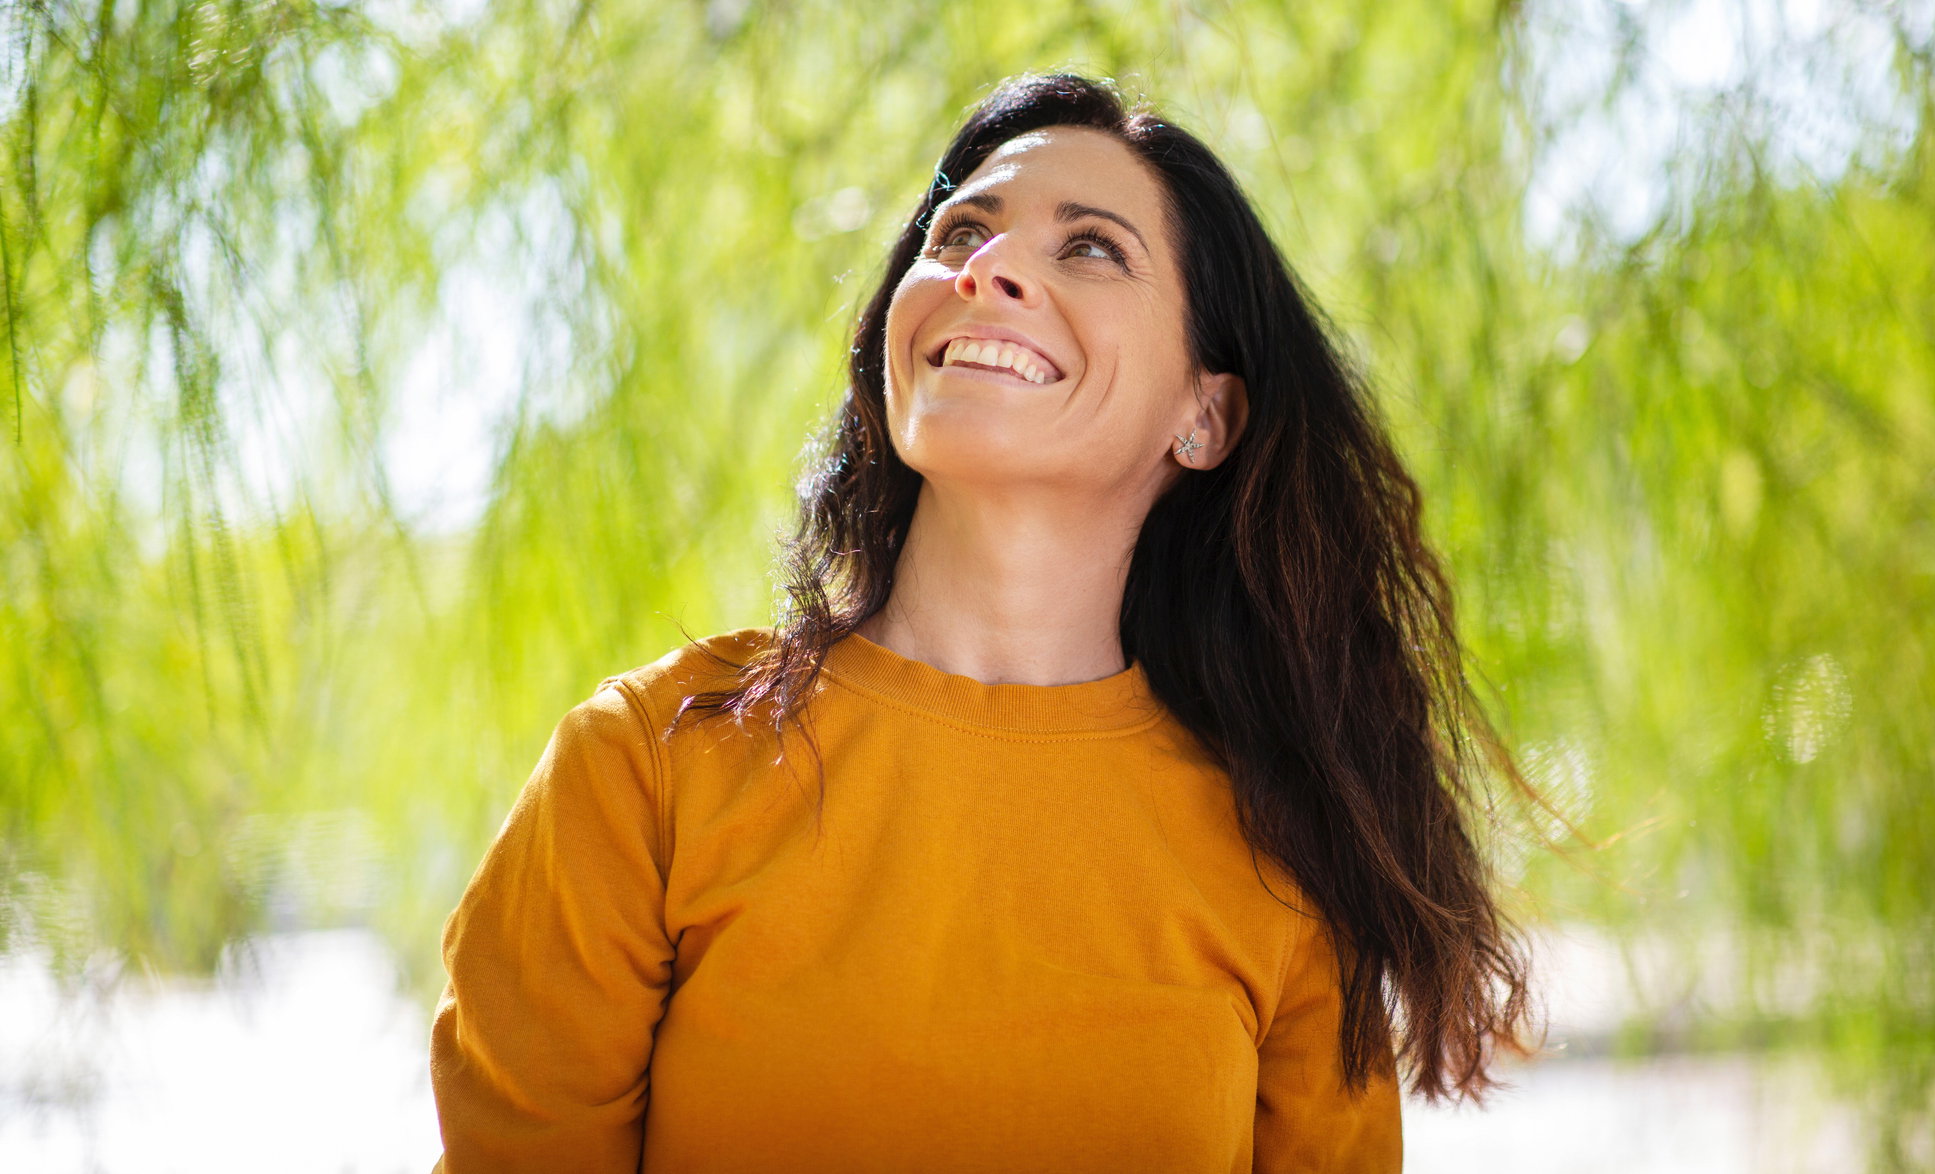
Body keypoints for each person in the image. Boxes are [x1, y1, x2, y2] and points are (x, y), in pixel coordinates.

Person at [428, 71, 1536, 1172]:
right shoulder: (648, 767)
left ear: (1205, 416)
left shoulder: (1281, 874)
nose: (987, 267)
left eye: (1091, 247)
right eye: (961, 230)